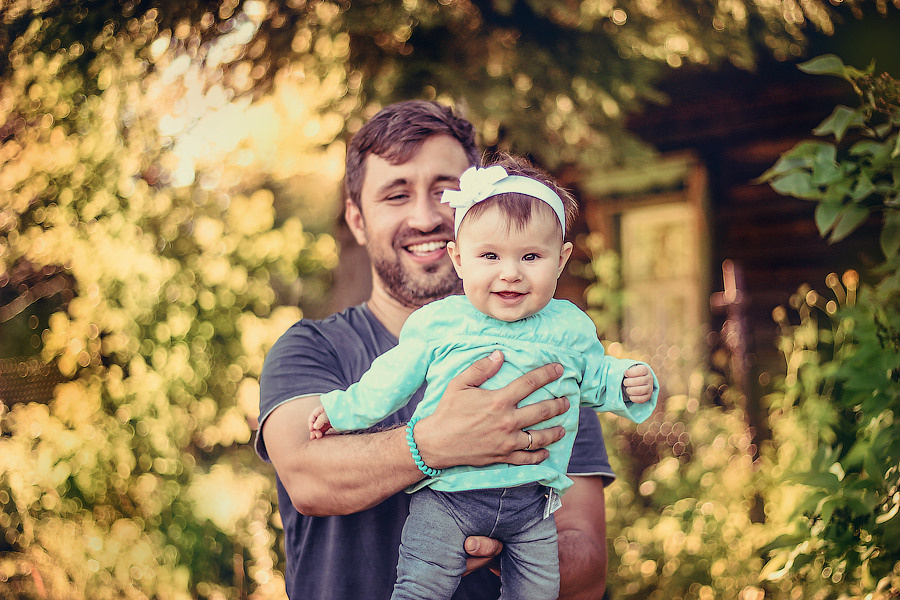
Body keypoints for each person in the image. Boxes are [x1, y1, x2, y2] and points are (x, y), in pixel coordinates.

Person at [257, 100, 628, 600]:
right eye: (396, 195)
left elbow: (588, 567)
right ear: (358, 220)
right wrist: (435, 443)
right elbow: (308, 479)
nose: (426, 216)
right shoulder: (310, 349)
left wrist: (508, 537)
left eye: (444, 191)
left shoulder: (549, 352)